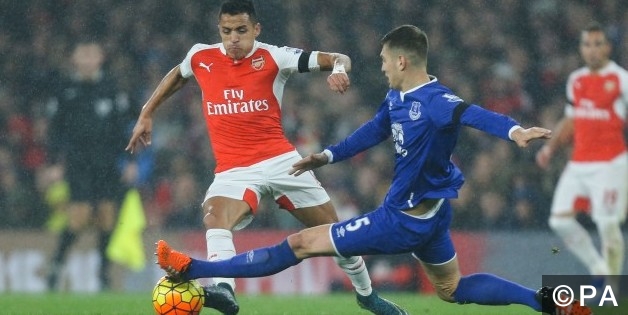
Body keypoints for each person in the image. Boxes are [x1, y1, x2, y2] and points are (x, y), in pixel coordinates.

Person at [155, 25, 594, 315]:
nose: (381, 67)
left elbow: (471, 113)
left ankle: (191, 269)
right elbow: (370, 133)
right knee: (452, 288)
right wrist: (325, 157)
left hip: (401, 219)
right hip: (432, 215)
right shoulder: (396, 100)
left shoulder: (434, 100)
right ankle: (546, 303)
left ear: (402, 61)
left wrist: (514, 131)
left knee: (302, 243)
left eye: (385, 61)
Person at [125, 1, 403, 314]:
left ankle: (367, 296)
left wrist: (338, 70)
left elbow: (340, 58)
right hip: (233, 169)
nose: (233, 39)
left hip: (282, 162)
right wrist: (147, 112)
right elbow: (179, 73)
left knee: (335, 234)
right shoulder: (201, 56)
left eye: (241, 31)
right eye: (227, 31)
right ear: (219, 30)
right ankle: (224, 290)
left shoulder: (274, 56)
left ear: (256, 29)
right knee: (215, 217)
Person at [536, 23, 627, 285]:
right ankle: (597, 266)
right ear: (581, 48)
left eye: (598, 44)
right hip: (578, 163)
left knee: (608, 223)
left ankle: (613, 289)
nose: (593, 50)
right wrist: (550, 148)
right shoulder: (576, 80)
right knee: (559, 221)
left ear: (608, 47)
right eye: (587, 44)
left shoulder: (621, 80)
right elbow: (572, 120)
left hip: (611, 163)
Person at [45, 41, 135, 291]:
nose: (86, 60)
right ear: (74, 58)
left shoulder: (113, 89)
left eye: (91, 54)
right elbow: (54, 131)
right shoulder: (65, 90)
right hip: (78, 163)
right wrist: (54, 163)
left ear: (100, 57)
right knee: (80, 215)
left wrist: (129, 161)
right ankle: (56, 266)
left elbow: (125, 129)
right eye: (82, 54)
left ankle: (103, 275)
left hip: (107, 162)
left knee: (107, 217)